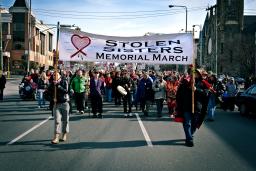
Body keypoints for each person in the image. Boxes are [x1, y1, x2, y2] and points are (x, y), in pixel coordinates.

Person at [48, 72, 70, 144]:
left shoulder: (64, 82)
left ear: (60, 76)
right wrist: (52, 99)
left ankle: (64, 134)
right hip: (56, 104)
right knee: (57, 121)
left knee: (65, 120)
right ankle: (56, 137)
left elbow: (66, 91)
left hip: (64, 104)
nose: (55, 76)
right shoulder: (51, 84)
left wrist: (58, 85)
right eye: (54, 75)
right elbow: (47, 94)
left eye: (57, 75)